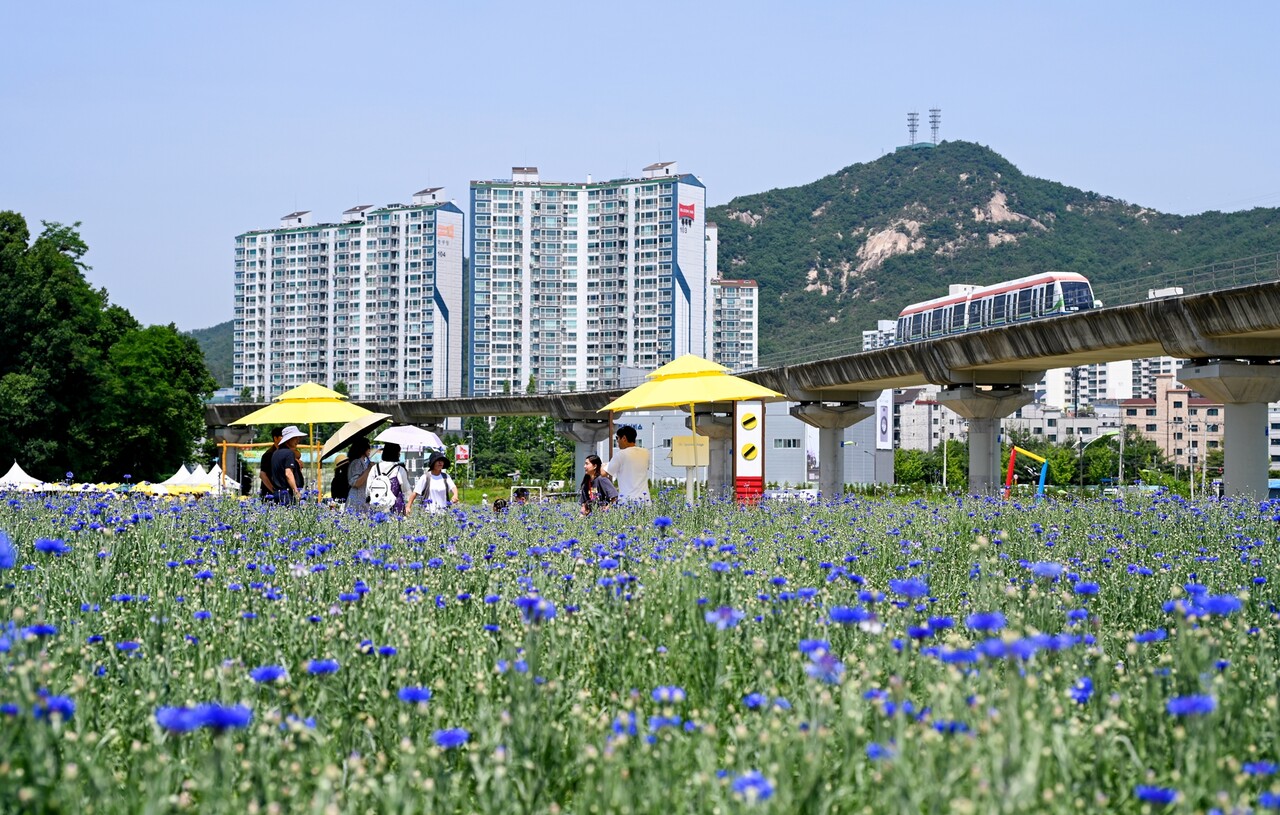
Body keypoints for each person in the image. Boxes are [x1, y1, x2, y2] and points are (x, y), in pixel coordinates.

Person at [605, 425, 651, 503]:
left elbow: (605, 472)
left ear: (624, 438)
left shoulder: (621, 454)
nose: (617, 441)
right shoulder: (646, 453)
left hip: (627, 502)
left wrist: (603, 465)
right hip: (645, 501)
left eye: (617, 438)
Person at [366, 442, 410, 514]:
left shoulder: (374, 468)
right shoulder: (399, 469)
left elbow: (368, 489)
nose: (399, 454)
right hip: (395, 508)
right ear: (396, 453)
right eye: (399, 452)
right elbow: (406, 490)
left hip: (377, 506)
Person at [269, 425, 307, 505]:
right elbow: (288, 473)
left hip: (277, 493)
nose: (298, 440)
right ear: (288, 439)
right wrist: (296, 491)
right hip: (287, 494)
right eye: (295, 437)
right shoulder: (289, 453)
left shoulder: (275, 453)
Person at [344, 437, 374, 511]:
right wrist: (369, 469)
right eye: (368, 448)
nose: (369, 450)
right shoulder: (357, 463)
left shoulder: (362, 462)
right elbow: (356, 482)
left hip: (361, 498)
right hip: (356, 499)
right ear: (363, 449)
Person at [258, 427, 284, 500]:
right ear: (275, 438)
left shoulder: (285, 452)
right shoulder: (269, 455)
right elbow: (263, 475)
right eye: (282, 436)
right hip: (269, 494)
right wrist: (273, 491)